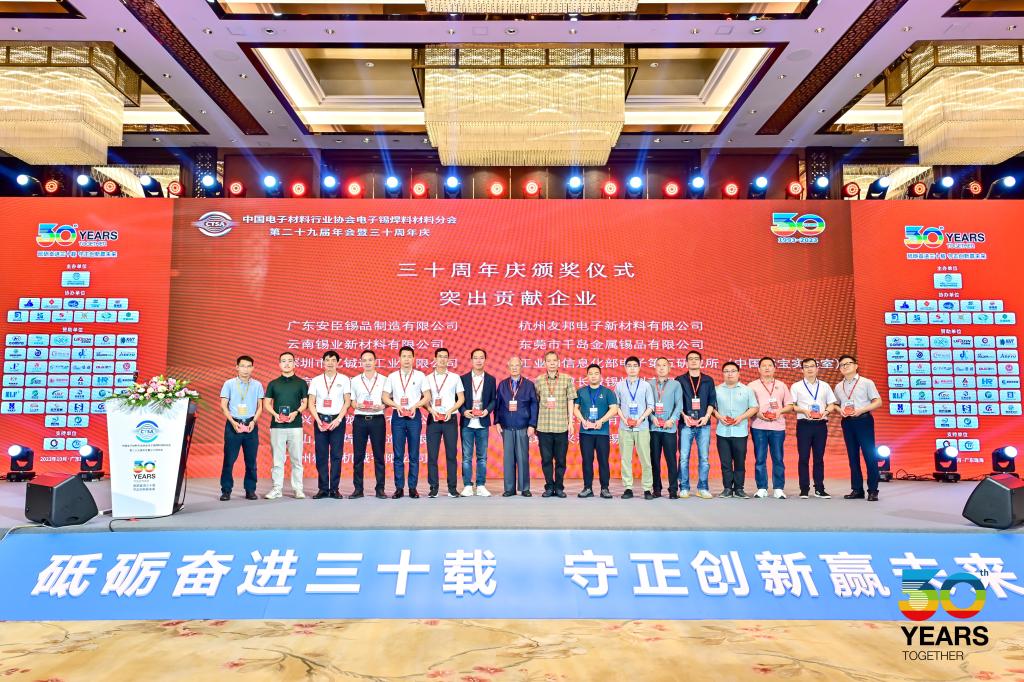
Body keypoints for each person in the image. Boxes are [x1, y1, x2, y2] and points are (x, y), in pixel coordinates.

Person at [383, 346, 430, 498]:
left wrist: (415, 406)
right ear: (399, 358)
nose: (407, 359)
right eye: (404, 356)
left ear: (413, 358)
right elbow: (385, 397)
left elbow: (427, 396)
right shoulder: (392, 377)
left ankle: (412, 488)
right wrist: (396, 405)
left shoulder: (420, 376)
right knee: (398, 454)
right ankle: (399, 488)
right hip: (398, 417)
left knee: (414, 454)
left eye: (409, 356)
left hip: (414, 417)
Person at [834, 354, 884, 501]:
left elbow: (878, 402)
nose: (845, 366)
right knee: (852, 456)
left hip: (863, 420)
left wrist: (862, 410)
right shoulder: (838, 386)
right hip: (847, 422)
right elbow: (835, 404)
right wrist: (840, 410)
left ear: (856, 366)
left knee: (869, 455)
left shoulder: (866, 382)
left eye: (848, 363)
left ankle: (873, 490)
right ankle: (857, 489)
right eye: (842, 365)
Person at [790, 358, 838, 500]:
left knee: (819, 458)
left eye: (812, 366)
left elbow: (832, 404)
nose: (810, 369)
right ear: (802, 370)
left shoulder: (825, 386)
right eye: (806, 367)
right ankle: (804, 489)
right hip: (804, 424)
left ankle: (819, 488)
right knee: (803, 457)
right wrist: (804, 410)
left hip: (820, 425)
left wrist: (826, 412)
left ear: (817, 368)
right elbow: (792, 406)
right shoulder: (796, 386)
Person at [263, 351, 308, 499]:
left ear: (294, 363)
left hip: (295, 426)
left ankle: (298, 489)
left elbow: (305, 403)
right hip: (277, 426)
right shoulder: (273, 383)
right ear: (279, 364)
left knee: (297, 460)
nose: (287, 363)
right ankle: (277, 489)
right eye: (283, 361)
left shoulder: (301, 383)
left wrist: (296, 412)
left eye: (290, 361)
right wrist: (275, 414)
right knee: (277, 460)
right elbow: (266, 403)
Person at [219, 355, 264, 501]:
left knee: (251, 461)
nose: (246, 369)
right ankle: (226, 490)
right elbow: (223, 406)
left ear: (253, 368)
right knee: (229, 460)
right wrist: (233, 422)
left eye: (249, 366)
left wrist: (254, 421)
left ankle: (250, 490)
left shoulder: (257, 385)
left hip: (251, 425)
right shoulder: (229, 384)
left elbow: (260, 406)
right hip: (233, 425)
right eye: (243, 366)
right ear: (237, 367)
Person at [748, 357, 794, 499]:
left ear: (774, 368)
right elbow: (748, 406)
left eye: (770, 365)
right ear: (758, 369)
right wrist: (758, 414)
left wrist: (780, 411)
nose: (767, 368)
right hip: (758, 426)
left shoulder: (781, 385)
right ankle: (761, 488)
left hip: (777, 427)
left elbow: (790, 405)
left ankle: (778, 488)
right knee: (760, 458)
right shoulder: (752, 386)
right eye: (764, 366)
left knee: (778, 458)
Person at [308, 350, 351, 499]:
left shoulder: (344, 379)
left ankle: (334, 489)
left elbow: (347, 402)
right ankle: (322, 489)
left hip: (337, 421)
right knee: (321, 455)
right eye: (327, 360)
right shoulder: (316, 380)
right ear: (323, 362)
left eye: (333, 360)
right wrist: (318, 420)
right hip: (320, 420)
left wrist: (338, 419)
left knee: (336, 456)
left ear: (338, 362)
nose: (330, 363)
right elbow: (311, 403)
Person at [676, 350, 718, 499]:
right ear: (686, 362)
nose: (693, 361)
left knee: (704, 458)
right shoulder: (679, 380)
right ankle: (684, 487)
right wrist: (684, 416)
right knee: (683, 458)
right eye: (690, 359)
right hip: (685, 424)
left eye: (696, 359)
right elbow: (677, 402)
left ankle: (703, 488)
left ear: (701, 362)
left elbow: (712, 401)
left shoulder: (708, 380)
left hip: (703, 424)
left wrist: (706, 417)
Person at [713, 361, 758, 498]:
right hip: (722, 431)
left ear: (738, 373)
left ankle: (739, 488)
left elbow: (754, 407)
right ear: (722, 374)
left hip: (740, 431)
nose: (730, 374)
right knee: (725, 462)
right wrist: (719, 417)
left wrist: (742, 417)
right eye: (726, 371)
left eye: (733, 371)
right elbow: (711, 408)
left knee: (739, 462)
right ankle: (727, 488)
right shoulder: (716, 390)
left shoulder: (747, 390)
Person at [494, 356, 538, 497]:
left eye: (517, 365)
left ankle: (525, 488)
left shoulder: (528, 385)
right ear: (508, 367)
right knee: (508, 459)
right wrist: (497, 422)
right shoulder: (502, 384)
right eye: (511, 365)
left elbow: (534, 405)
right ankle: (509, 489)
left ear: (521, 367)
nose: (514, 368)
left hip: (523, 426)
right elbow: (497, 405)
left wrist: (532, 424)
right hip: (506, 426)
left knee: (523, 458)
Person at [573, 363, 618, 498]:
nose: (593, 376)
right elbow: (575, 409)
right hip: (586, 432)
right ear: (587, 376)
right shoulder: (581, 391)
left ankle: (605, 488)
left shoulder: (607, 392)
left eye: (596, 373)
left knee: (603, 461)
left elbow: (614, 409)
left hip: (602, 433)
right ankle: (587, 488)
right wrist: (583, 420)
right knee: (587, 461)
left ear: (600, 376)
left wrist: (601, 421)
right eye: (590, 374)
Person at [536, 350, 577, 498]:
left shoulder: (567, 379)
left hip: (561, 427)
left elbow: (571, 400)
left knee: (560, 460)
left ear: (559, 362)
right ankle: (549, 487)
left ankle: (559, 487)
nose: (552, 363)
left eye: (554, 360)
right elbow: (536, 402)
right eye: (549, 361)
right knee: (546, 460)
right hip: (544, 427)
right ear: (545, 363)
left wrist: (571, 422)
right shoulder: (539, 380)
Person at [426, 347, 464, 498]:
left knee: (451, 454)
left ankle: (452, 488)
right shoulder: (428, 378)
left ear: (448, 359)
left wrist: (450, 410)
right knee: (432, 455)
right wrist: (431, 410)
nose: (442, 359)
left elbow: (461, 399)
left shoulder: (455, 377)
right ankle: (433, 487)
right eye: (440, 356)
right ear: (435, 359)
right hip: (434, 419)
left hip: (450, 419)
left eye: (445, 357)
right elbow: (425, 399)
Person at [349, 349, 387, 499]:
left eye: (370, 360)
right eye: (364, 360)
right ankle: (358, 489)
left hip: (377, 420)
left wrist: (383, 406)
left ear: (375, 361)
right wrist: (356, 405)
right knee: (358, 456)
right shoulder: (355, 380)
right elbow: (352, 401)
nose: (367, 363)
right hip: (360, 420)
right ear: (361, 363)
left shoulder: (384, 379)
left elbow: (388, 400)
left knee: (379, 456)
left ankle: (380, 489)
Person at [616, 356, 656, 499]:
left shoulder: (645, 385)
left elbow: (650, 406)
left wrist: (640, 419)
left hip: (642, 427)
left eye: (635, 365)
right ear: (625, 368)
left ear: (639, 368)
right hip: (625, 427)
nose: (632, 368)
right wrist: (624, 419)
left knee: (646, 459)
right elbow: (616, 406)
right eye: (629, 365)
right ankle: (628, 488)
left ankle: (647, 488)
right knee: (625, 459)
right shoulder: (619, 385)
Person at [460, 348, 497, 497]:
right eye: (475, 358)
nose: (478, 360)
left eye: (481, 357)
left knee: (482, 457)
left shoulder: (491, 379)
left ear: (485, 360)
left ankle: (481, 485)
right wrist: (464, 411)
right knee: (467, 457)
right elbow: (458, 400)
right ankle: (467, 485)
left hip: (482, 423)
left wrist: (487, 411)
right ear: (471, 360)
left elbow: (493, 400)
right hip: (467, 423)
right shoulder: (463, 379)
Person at [648, 357, 682, 498]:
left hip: (669, 429)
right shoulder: (649, 384)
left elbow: (679, 405)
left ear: (669, 368)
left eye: (664, 365)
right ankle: (656, 489)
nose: (661, 368)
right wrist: (652, 418)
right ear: (655, 368)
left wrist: (672, 420)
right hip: (654, 428)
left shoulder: (675, 385)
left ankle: (673, 489)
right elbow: (646, 405)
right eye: (658, 365)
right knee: (654, 460)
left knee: (671, 460)